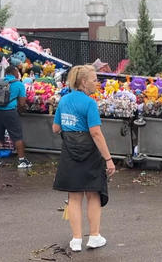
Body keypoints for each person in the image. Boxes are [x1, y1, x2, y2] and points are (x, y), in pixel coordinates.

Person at [52, 65, 116, 252]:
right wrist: (109, 159)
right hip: (89, 153)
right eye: (94, 79)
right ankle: (94, 236)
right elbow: (96, 133)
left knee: (74, 196)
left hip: (70, 152)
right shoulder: (89, 103)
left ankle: (76, 239)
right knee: (93, 193)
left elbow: (56, 128)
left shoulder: (63, 100)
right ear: (83, 82)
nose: (97, 82)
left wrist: (69, 124)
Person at [0, 66, 32, 168]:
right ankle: (22, 160)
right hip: (10, 112)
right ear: (15, 73)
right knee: (17, 136)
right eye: (18, 72)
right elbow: (22, 103)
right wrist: (20, 110)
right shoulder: (18, 84)